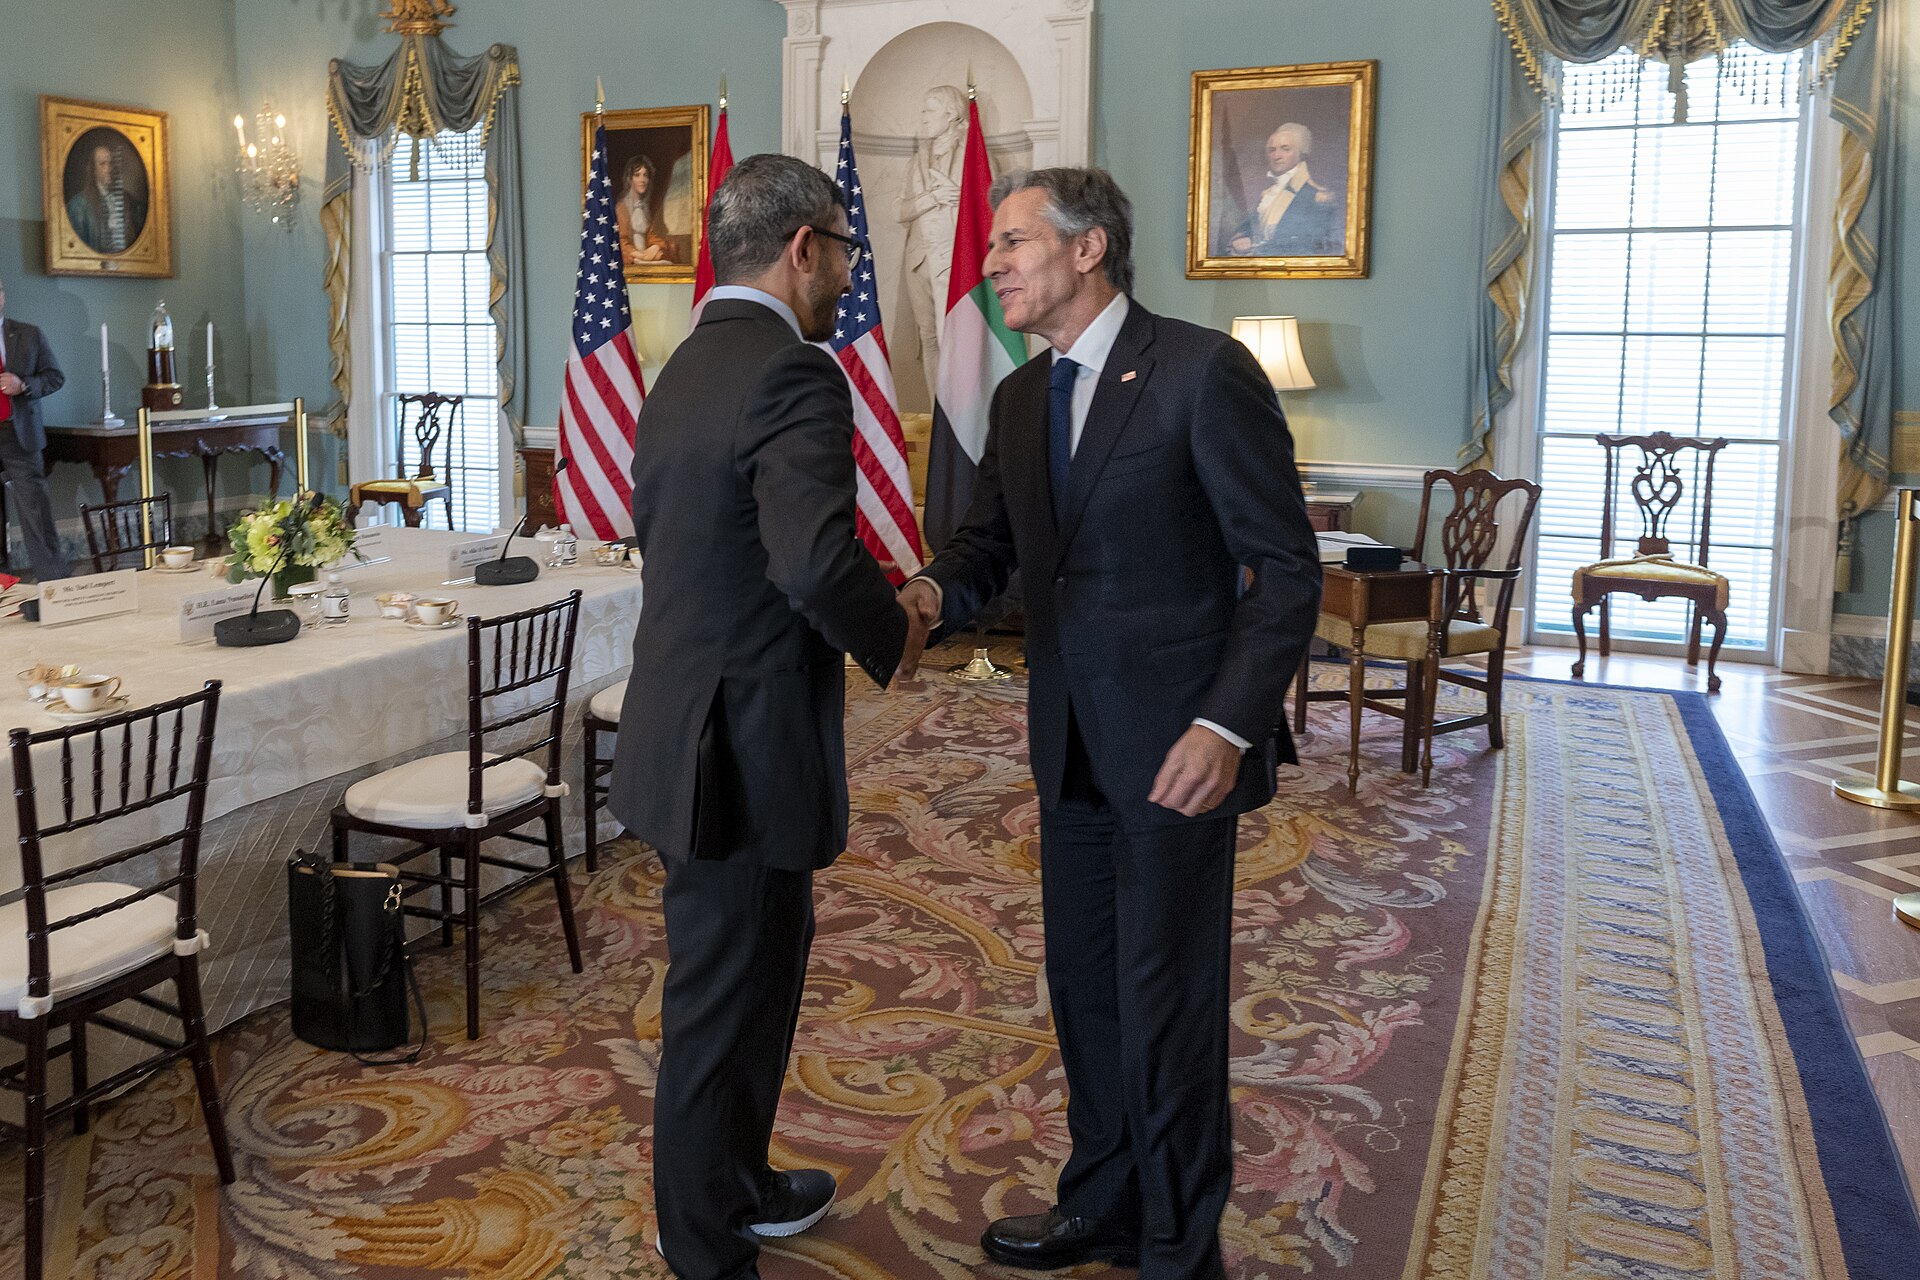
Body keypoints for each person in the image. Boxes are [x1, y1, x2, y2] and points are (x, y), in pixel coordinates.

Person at [898, 168, 1319, 1279]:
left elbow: (1281, 571)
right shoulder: (1024, 397)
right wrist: (932, 595)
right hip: (1070, 742)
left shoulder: (1200, 371)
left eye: (1012, 243)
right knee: (1085, 983)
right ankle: (1104, 1202)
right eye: (991, 249)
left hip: (1181, 751)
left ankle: (1182, 1245)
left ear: (1088, 251)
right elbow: (991, 543)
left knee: (1167, 998)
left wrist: (1227, 726)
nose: (992, 266)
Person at [607, 152, 929, 1280]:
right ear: (804, 248)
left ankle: (738, 1183)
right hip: (733, 751)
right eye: (841, 249)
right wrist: (898, 629)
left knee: (755, 976)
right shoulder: (793, 372)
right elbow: (809, 562)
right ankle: (701, 1244)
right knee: (719, 999)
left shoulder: (686, 365)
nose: (845, 272)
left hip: (690, 733)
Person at [896, 85, 968, 402]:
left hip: (956, 260)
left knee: (955, 338)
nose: (923, 117)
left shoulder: (974, 154)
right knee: (928, 337)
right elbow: (899, 210)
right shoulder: (917, 160)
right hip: (919, 259)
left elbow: (992, 210)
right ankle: (937, 407)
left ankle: (958, 412)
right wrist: (932, 197)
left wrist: (961, 197)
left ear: (951, 114)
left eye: (929, 110)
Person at [0, 278, 72, 583]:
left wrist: (23, 385)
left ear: (1, 297)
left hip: (18, 436)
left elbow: (55, 377)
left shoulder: (28, 334)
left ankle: (54, 586)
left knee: (36, 515)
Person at [1225, 122, 1343, 257]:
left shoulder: (1318, 198)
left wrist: (1256, 248)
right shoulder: (1267, 195)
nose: (1277, 156)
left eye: (1285, 149)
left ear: (1301, 153)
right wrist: (1242, 239)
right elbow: (1249, 228)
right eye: (1272, 150)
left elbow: (1310, 246)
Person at [65, 140, 147, 256]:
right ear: (93, 170)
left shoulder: (129, 201)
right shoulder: (78, 206)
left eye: (111, 163)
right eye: (103, 164)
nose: (109, 169)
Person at [615, 153, 671, 265]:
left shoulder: (645, 208)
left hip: (645, 255)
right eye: (637, 175)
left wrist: (656, 246)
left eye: (645, 175)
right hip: (631, 257)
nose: (642, 180)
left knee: (667, 263)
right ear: (630, 179)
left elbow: (650, 236)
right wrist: (639, 255)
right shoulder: (621, 208)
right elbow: (620, 241)